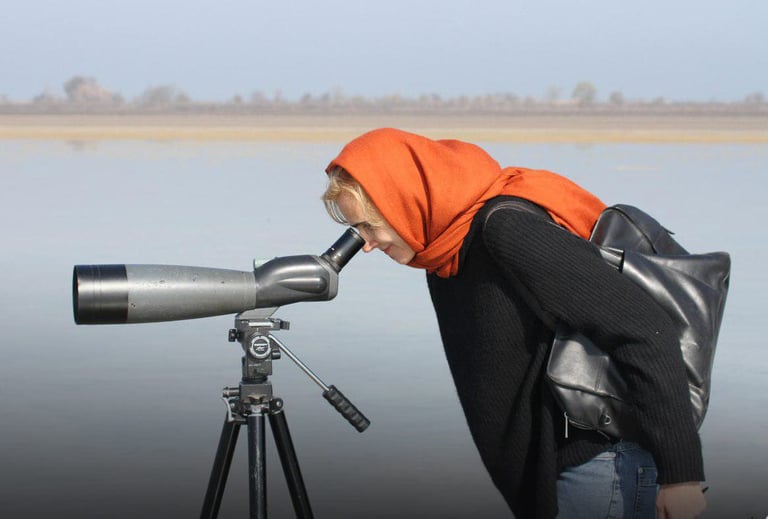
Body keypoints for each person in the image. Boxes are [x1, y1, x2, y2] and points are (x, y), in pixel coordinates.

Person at [321, 128, 707, 519]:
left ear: (406, 201)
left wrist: (682, 477)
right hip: (564, 473)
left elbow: (644, 328)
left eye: (370, 226)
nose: (366, 244)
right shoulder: (444, 255)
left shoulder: (505, 232)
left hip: (602, 467)